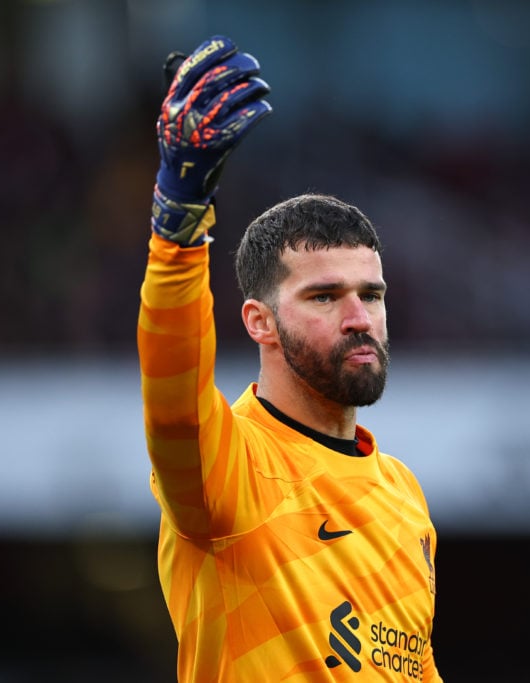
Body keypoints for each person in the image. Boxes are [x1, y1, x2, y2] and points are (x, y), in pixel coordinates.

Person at [138, 36, 441, 682]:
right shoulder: (229, 472)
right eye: (324, 296)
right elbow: (173, 412)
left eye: (371, 294)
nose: (359, 317)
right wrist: (179, 226)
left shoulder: (402, 493)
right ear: (260, 322)